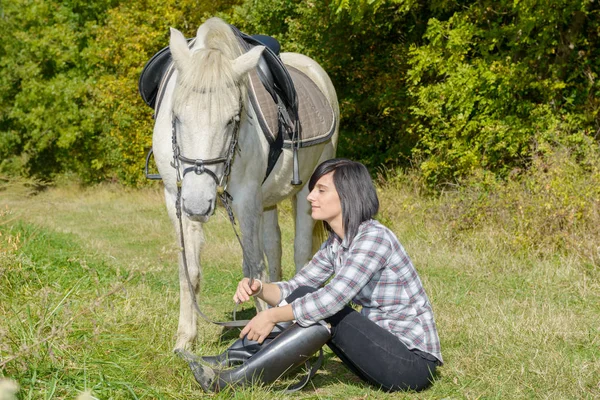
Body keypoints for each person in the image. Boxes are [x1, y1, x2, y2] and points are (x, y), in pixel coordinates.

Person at [191, 158, 443, 392]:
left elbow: (332, 300)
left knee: (325, 309)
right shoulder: (336, 243)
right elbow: (296, 287)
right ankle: (232, 358)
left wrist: (271, 315)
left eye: (321, 190)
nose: (310, 197)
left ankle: (237, 380)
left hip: (412, 364)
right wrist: (258, 287)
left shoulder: (374, 237)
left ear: (348, 195)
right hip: (380, 352)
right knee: (305, 295)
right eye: (313, 189)